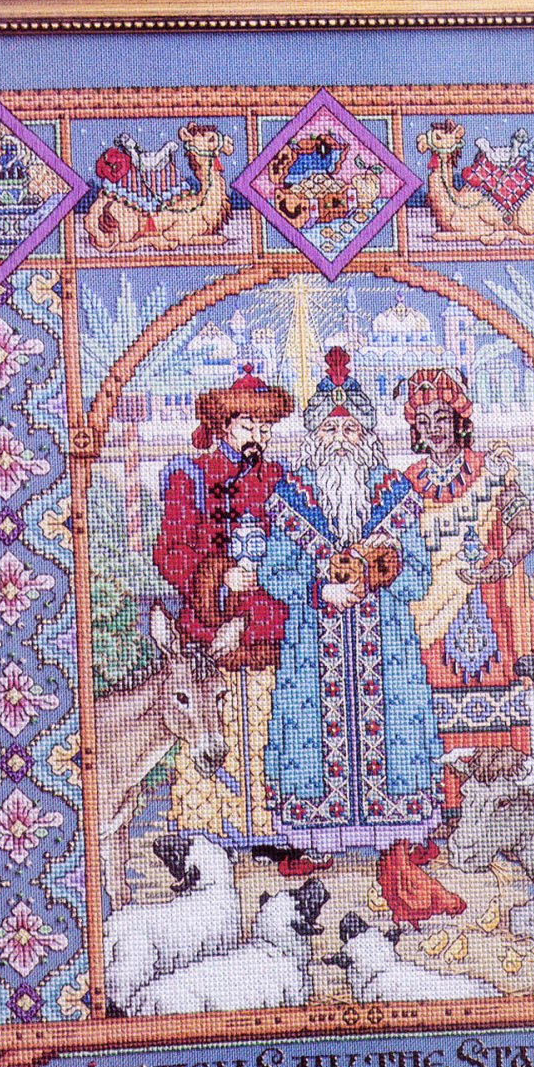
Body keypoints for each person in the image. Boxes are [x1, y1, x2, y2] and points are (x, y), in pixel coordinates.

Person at [259, 350, 445, 859]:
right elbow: (274, 571)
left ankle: (402, 837)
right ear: (315, 438)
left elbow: (419, 576)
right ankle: (314, 841)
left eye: (350, 431)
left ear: (366, 437)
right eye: (331, 431)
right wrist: (320, 590)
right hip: (312, 645)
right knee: (308, 736)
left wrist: (383, 573)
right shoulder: (293, 494)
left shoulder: (395, 494)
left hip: (387, 645)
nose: (341, 440)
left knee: (399, 730)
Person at [152, 363, 293, 846]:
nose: (258, 436)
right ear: (223, 425)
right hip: (209, 626)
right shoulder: (190, 476)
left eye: (265, 427)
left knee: (271, 725)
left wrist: (273, 569)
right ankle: (209, 835)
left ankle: (276, 829)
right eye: (248, 425)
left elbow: (297, 542)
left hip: (269, 624)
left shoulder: (281, 480)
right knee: (212, 723)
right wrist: (218, 573)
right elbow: (170, 551)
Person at [400, 366, 534, 810]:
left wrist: (501, 563)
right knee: (434, 698)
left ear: (459, 419)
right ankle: (444, 806)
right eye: (424, 421)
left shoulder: (489, 471)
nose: (434, 429)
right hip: (431, 615)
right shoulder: (408, 482)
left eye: (441, 418)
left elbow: (527, 526)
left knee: (497, 696)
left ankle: (504, 805)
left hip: (489, 607)